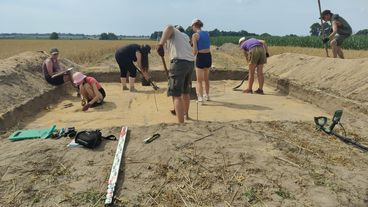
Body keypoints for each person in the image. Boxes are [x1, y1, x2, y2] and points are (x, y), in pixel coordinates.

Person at [156, 25, 195, 123]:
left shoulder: (175, 32)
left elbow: (169, 27)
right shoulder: (185, 37)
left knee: (176, 94)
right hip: (190, 64)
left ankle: (180, 124)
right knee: (185, 92)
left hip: (179, 63)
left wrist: (160, 44)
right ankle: (186, 116)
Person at [191, 18, 212, 104]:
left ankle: (200, 98)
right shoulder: (207, 33)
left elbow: (195, 51)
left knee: (199, 80)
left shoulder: (195, 35)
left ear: (194, 26)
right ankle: (207, 95)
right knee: (206, 79)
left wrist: (191, 54)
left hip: (200, 57)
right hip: (208, 56)